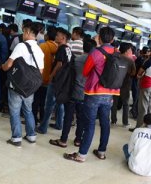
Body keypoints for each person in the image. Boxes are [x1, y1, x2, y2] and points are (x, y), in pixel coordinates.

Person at [63, 27, 119, 163]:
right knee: (105, 123)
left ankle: (81, 155)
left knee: (89, 124)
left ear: (99, 38)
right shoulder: (117, 53)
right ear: (112, 39)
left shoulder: (95, 53)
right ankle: (101, 152)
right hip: (110, 94)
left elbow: (85, 72)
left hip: (94, 93)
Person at [2, 21, 44, 148]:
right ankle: (31, 136)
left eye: (24, 31)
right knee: (28, 110)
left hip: (17, 85)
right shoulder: (39, 49)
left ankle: (16, 138)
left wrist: (2, 67)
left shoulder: (21, 46)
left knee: (14, 111)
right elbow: (40, 71)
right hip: (30, 87)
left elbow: (8, 65)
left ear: (27, 32)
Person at [49, 38, 97, 148]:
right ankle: (78, 140)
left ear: (84, 47)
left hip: (73, 92)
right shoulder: (94, 62)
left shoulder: (76, 60)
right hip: (85, 94)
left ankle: (63, 140)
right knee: (81, 118)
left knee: (68, 117)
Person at [37, 27, 72, 134]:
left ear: (63, 38)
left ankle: (43, 128)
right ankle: (59, 124)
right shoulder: (68, 49)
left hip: (56, 80)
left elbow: (59, 64)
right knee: (59, 103)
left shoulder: (61, 48)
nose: (56, 37)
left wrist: (51, 75)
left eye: (58, 35)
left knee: (49, 105)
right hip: (63, 80)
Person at [123, 113, 151, 177]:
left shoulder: (137, 131)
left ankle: (134, 162)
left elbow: (130, 150)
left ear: (143, 122)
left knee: (125, 146)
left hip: (133, 167)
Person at [130, 47, 151, 131]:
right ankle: (149, 128)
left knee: (142, 108)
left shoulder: (150, 61)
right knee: (149, 108)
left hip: (146, 87)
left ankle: (139, 128)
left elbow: (140, 72)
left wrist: (139, 76)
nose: (150, 53)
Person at [32, 26, 58, 124]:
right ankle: (43, 119)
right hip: (50, 80)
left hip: (40, 78)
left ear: (46, 36)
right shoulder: (57, 48)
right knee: (45, 102)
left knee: (36, 100)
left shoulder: (42, 46)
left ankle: (34, 119)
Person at [111, 42, 136, 127]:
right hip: (125, 84)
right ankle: (125, 122)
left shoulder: (115, 57)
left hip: (115, 83)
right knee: (125, 103)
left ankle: (113, 120)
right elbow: (133, 73)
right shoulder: (130, 61)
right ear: (127, 50)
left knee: (114, 102)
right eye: (130, 50)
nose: (131, 52)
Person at [130, 46, 151, 119]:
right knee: (137, 95)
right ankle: (134, 111)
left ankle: (134, 109)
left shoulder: (140, 58)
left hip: (136, 78)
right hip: (138, 79)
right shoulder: (144, 60)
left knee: (136, 95)